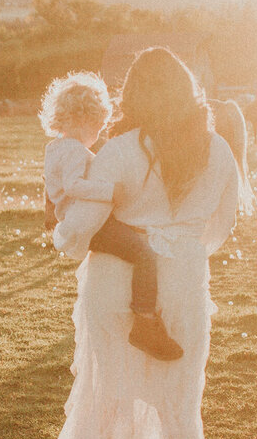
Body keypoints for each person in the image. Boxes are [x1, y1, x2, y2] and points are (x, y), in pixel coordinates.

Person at [45, 48, 240, 439]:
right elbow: (220, 228)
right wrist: (179, 243)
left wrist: (61, 231)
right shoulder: (217, 149)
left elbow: (80, 225)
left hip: (115, 285)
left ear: (130, 95)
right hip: (182, 283)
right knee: (181, 402)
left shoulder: (118, 150)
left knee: (117, 391)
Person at [39, 71, 182, 360]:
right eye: (97, 127)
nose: (98, 135)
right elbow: (73, 185)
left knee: (136, 242)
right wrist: (111, 191)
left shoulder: (55, 148)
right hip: (90, 223)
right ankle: (144, 321)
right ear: (82, 120)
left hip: (83, 220)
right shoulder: (74, 150)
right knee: (143, 255)